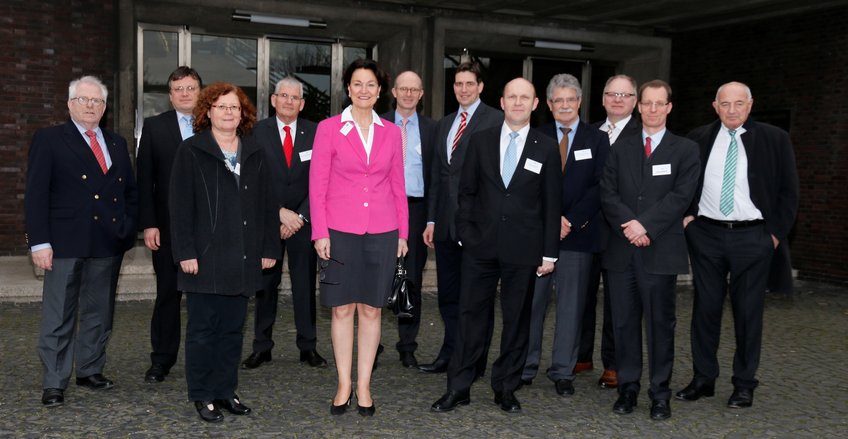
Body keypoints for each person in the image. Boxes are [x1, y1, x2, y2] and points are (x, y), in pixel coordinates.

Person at [431, 77, 561, 414]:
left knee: (517, 321)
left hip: (525, 249)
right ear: (501, 102)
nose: (518, 103)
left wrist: (549, 253)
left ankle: (506, 387)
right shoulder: (480, 140)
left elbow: (551, 204)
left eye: (525, 97)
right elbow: (467, 192)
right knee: (470, 316)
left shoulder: (545, 146)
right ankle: (458, 387)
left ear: (535, 104)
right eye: (511, 96)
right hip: (479, 247)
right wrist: (465, 233)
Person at [677, 81, 799, 409]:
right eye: (725, 104)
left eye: (739, 104)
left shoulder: (775, 139)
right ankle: (703, 378)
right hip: (706, 236)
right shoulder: (697, 138)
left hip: (753, 238)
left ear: (750, 105)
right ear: (715, 106)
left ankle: (744, 383)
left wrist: (772, 235)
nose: (732, 110)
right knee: (705, 310)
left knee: (747, 314)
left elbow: (790, 192)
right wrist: (689, 219)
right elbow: (683, 182)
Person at [169, 82, 280, 423]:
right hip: (203, 258)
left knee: (233, 331)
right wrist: (185, 252)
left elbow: (266, 205)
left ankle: (225, 391)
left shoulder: (255, 152)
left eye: (234, 107)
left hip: (244, 257)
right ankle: (202, 395)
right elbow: (179, 206)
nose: (228, 112)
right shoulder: (191, 151)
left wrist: (269, 247)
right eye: (221, 106)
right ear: (208, 112)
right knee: (203, 331)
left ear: (242, 113)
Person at [25, 75, 138, 407]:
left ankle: (90, 369)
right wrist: (38, 242)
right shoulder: (49, 139)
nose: (91, 106)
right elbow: (35, 195)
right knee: (59, 313)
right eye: (84, 100)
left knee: (99, 311)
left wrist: (127, 228)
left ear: (104, 107)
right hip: (64, 242)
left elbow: (129, 192)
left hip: (107, 241)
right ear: (70, 104)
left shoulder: (116, 143)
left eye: (97, 101)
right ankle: (54, 380)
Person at [309, 59, 409, 417]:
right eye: (357, 83)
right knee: (340, 308)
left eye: (370, 84)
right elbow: (317, 184)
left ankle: (364, 385)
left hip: (382, 232)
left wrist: (403, 233)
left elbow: (399, 185)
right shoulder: (329, 128)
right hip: (338, 231)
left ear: (380, 91)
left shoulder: (391, 133)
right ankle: (343, 383)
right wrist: (319, 231)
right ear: (347, 89)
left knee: (370, 309)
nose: (364, 90)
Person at [600, 80, 700, 420]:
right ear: (638, 106)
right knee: (624, 325)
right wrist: (629, 225)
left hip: (660, 251)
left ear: (669, 107)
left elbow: (681, 197)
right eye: (647, 103)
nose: (653, 110)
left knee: (660, 326)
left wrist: (646, 226)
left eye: (660, 103)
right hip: (621, 250)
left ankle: (660, 394)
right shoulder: (619, 148)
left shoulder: (686, 150)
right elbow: (607, 192)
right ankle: (627, 389)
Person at [522, 74, 610, 396]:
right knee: (533, 304)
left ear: (579, 101)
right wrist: (549, 220)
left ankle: (563, 371)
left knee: (572, 306)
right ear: (548, 104)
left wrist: (570, 220)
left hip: (578, 236)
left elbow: (600, 187)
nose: (564, 105)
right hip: (538, 237)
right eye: (557, 100)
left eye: (569, 99)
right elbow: (527, 185)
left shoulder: (597, 140)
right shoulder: (535, 136)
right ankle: (526, 365)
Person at [420, 62, 503, 375]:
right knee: (449, 296)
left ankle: (475, 360)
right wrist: (431, 220)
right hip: (445, 225)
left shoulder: (496, 120)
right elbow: (438, 177)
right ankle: (450, 352)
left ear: (480, 86)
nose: (463, 89)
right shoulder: (446, 123)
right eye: (458, 83)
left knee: (478, 298)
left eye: (470, 83)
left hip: (478, 227)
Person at [242, 77, 327, 370]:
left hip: (304, 222)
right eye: (284, 96)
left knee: (305, 285)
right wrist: (279, 212)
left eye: (295, 98)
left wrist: (300, 216)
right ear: (273, 100)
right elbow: (251, 179)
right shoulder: (255, 132)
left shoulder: (316, 133)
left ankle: (308, 347)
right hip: (269, 220)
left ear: (302, 104)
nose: (289, 101)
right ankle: (261, 347)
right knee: (265, 285)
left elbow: (321, 180)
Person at [137, 66, 202, 383]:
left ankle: (203, 360)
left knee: (206, 298)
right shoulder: (154, 127)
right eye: (179, 89)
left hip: (208, 230)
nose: (185, 93)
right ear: (170, 94)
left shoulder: (216, 124)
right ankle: (161, 360)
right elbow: (144, 180)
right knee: (167, 296)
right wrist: (149, 223)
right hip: (166, 229)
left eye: (191, 87)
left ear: (200, 91)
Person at [582, 74, 643, 388]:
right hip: (587, 228)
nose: (617, 99)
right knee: (582, 294)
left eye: (625, 94)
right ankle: (581, 354)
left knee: (618, 303)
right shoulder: (590, 132)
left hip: (622, 232)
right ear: (603, 98)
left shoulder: (644, 134)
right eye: (611, 94)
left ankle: (614, 363)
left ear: (634, 100)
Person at [376, 70, 437, 369]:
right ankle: (372, 343)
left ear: (421, 94)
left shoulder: (432, 129)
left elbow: (437, 177)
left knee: (410, 278)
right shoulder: (377, 123)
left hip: (416, 210)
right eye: (404, 89)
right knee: (376, 275)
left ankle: (407, 344)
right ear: (395, 92)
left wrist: (432, 219)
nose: (409, 94)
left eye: (415, 89)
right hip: (379, 208)